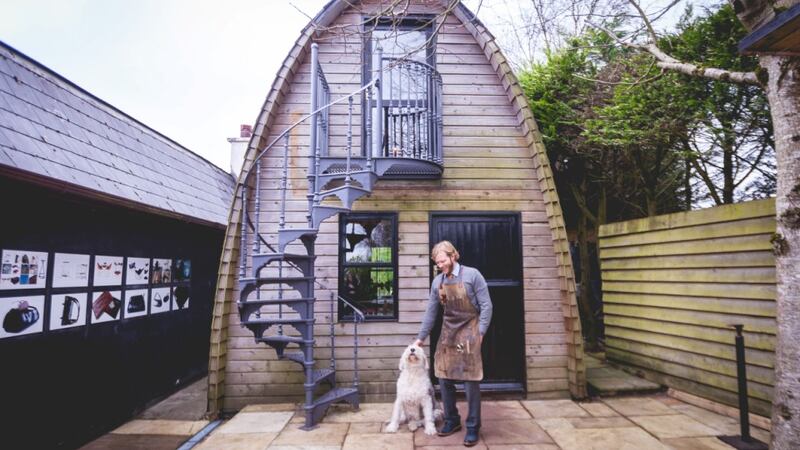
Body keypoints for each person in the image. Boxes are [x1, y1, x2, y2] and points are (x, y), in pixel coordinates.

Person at [414, 240, 492, 447]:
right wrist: (421, 337)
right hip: (448, 334)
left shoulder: (472, 275)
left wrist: (481, 332)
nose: (440, 266)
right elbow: (431, 312)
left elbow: (486, 305)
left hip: (468, 333)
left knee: (470, 379)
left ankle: (473, 426)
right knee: (444, 377)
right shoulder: (437, 282)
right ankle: (452, 420)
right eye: (437, 263)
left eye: (443, 261)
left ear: (453, 256)